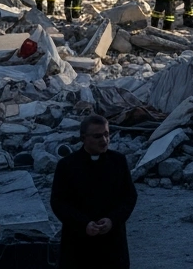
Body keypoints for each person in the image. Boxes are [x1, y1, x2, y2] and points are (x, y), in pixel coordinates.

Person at [51, 115, 137, 269]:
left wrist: (112, 220)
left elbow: (129, 196)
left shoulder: (118, 161)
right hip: (78, 243)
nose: (104, 140)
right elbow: (58, 202)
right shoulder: (67, 166)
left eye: (106, 134)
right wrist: (83, 224)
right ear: (83, 138)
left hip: (113, 242)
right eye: (97, 136)